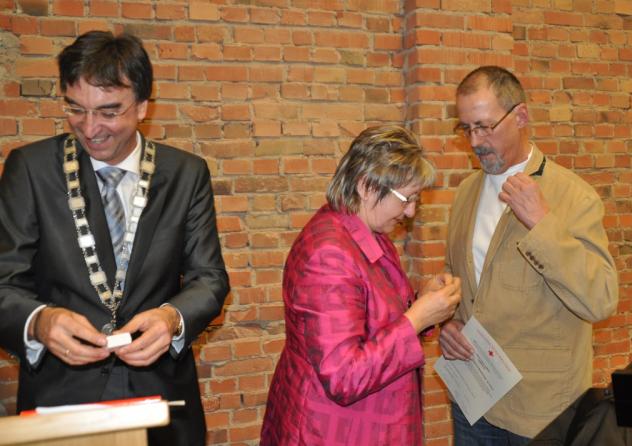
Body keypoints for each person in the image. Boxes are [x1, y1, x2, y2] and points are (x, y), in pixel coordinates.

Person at [0, 31, 229, 445]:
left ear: (142, 106)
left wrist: (172, 318)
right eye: (76, 109)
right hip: (61, 400)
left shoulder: (186, 174)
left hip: (162, 398)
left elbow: (209, 278)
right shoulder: (30, 169)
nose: (90, 129)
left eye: (108, 112)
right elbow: (4, 281)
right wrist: (40, 322)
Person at [439, 65, 619, 444]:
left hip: (541, 411)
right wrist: (450, 324)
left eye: (484, 126)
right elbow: (461, 280)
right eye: (466, 128)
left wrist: (542, 223)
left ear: (520, 116)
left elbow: (601, 298)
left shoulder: (574, 196)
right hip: (473, 400)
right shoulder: (465, 193)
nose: (474, 141)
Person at [260, 125, 462, 445]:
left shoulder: (367, 233)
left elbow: (370, 317)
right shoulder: (329, 254)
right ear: (367, 186)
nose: (410, 211)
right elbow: (344, 375)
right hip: (334, 431)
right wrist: (417, 319)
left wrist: (421, 302)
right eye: (406, 199)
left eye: (416, 199)